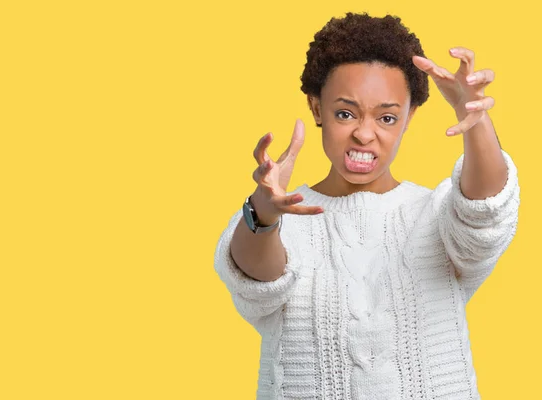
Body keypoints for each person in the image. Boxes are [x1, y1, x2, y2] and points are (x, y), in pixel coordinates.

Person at [213, 11, 519, 400]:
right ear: (315, 106)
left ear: (409, 118)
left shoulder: (436, 214)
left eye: (387, 117)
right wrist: (264, 212)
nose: (364, 133)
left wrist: (475, 120)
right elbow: (258, 284)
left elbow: (485, 211)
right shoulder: (286, 214)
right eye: (345, 113)